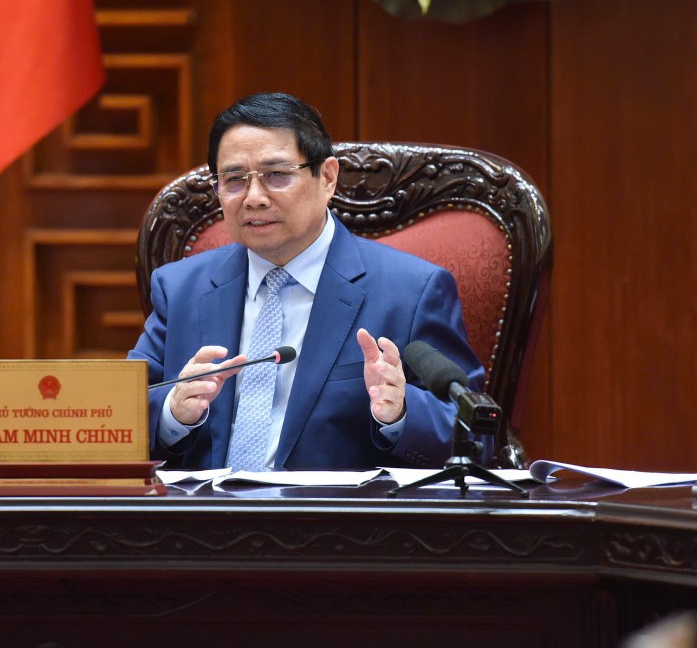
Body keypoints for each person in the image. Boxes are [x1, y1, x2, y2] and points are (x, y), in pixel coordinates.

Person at [129, 92, 486, 471]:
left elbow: (475, 432)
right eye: (233, 180)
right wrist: (173, 414)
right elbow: (122, 417)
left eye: (276, 175)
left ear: (327, 177)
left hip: (336, 525)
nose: (253, 198)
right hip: (200, 524)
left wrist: (399, 415)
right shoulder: (180, 288)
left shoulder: (413, 291)